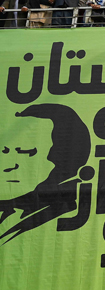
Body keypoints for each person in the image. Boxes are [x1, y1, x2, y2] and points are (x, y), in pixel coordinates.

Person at [0, 104, 91, 243]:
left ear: (55, 156)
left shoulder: (60, 211)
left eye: (27, 152)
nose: (11, 165)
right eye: (4, 151)